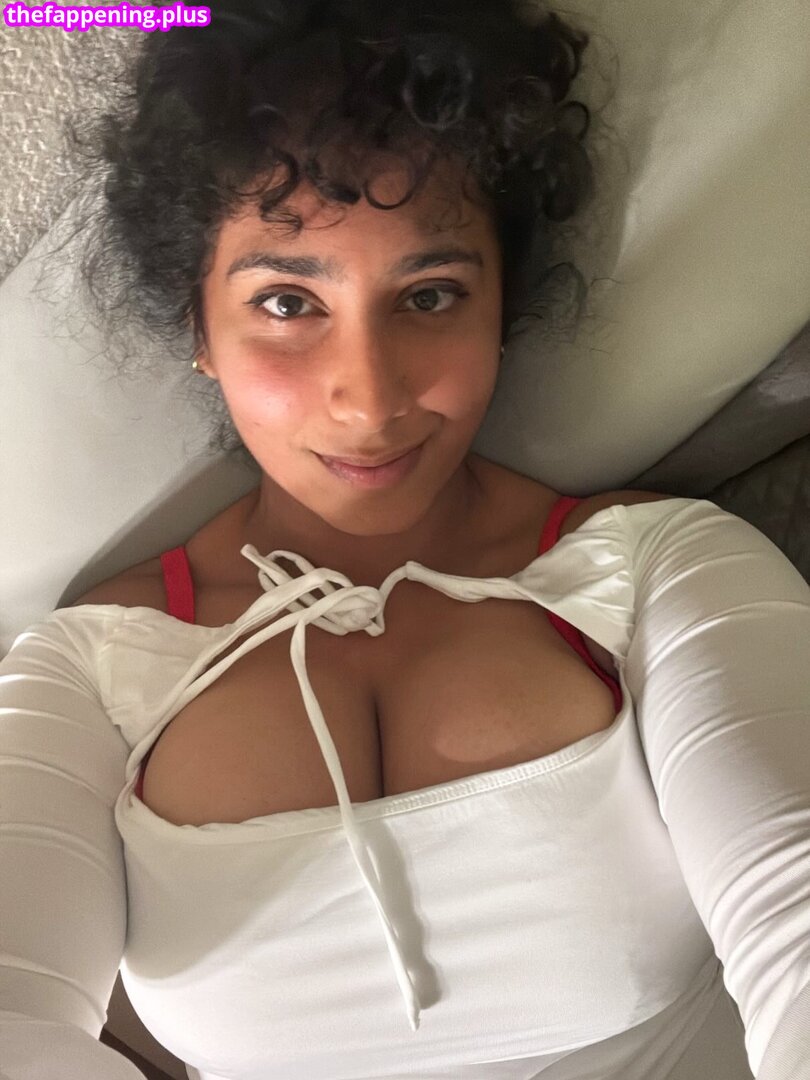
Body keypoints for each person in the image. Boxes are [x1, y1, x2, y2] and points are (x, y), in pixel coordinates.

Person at [1, 2, 809, 1079]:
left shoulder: (661, 571)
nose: (371, 398)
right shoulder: (88, 665)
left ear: (500, 309)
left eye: (429, 296)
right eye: (287, 302)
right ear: (201, 329)